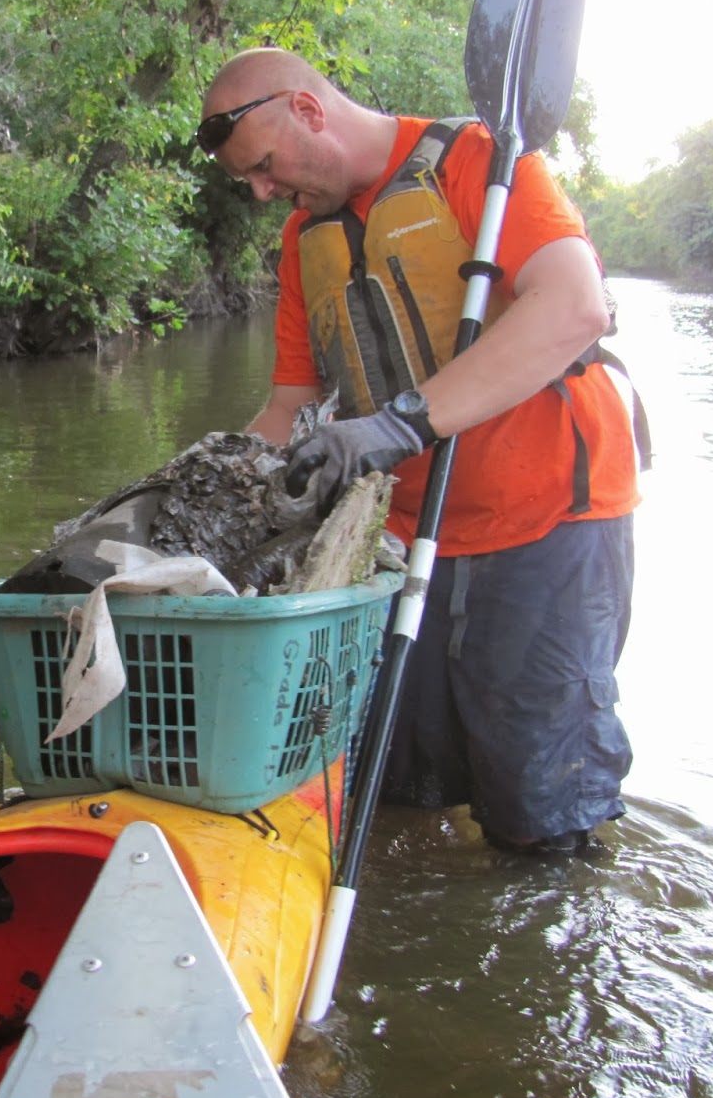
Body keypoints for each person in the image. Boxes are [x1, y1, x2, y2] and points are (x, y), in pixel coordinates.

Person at [197, 48, 642, 854]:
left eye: (263, 166)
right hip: (409, 546)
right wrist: (204, 493)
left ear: (306, 109)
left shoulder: (482, 164)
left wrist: (400, 426)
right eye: (250, 182)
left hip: (550, 524)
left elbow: (576, 308)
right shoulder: (305, 241)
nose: (262, 192)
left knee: (541, 819)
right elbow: (288, 406)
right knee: (398, 796)